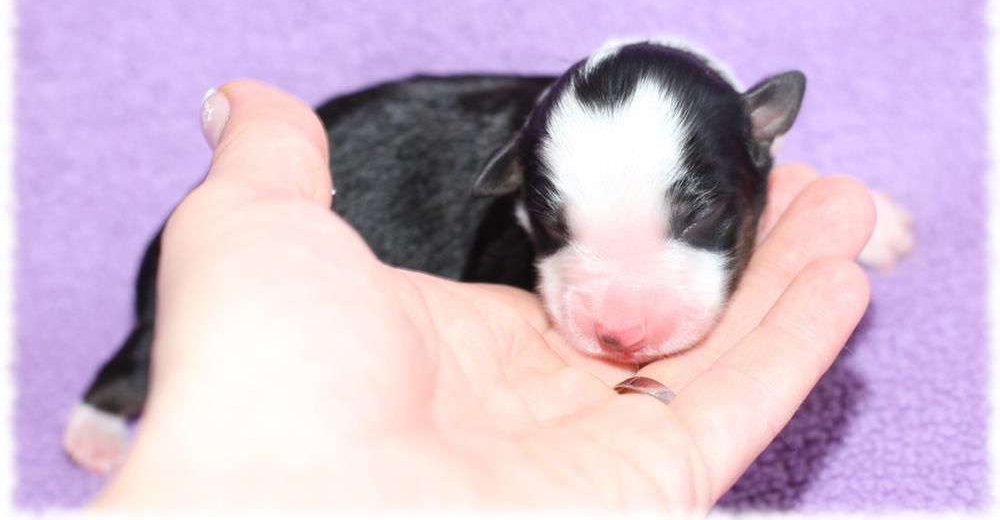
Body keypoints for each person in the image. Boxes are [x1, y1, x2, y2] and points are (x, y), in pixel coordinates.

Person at [91, 80, 874, 511]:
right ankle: (108, 392)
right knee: (163, 345)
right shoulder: (544, 156)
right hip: (356, 251)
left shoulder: (626, 128)